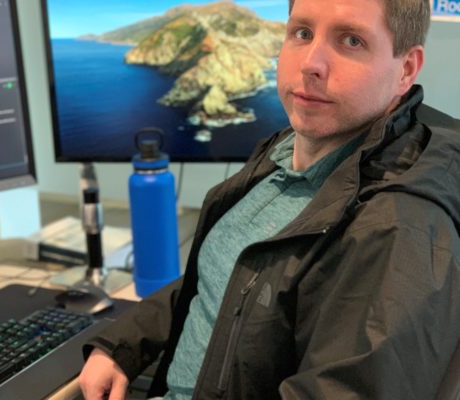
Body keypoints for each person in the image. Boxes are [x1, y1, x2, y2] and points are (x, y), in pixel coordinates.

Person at [79, 0, 460, 398]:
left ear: (406, 69)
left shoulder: (400, 225)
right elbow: (223, 279)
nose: (311, 63)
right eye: (302, 33)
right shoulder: (287, 149)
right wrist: (120, 345)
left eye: (351, 40)